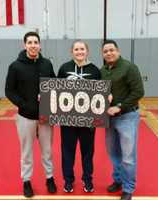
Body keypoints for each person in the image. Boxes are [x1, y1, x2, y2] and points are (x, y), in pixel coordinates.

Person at [5, 31, 57, 198]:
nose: (33, 45)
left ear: (40, 45)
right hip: (25, 116)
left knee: (47, 150)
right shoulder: (15, 66)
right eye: (30, 42)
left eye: (36, 42)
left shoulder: (47, 64)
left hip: (45, 116)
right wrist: (24, 104)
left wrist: (49, 96)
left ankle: (49, 178)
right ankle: (26, 181)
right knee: (26, 151)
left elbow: (55, 84)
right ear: (25, 45)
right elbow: (9, 91)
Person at [100, 40, 144, 200]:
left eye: (111, 50)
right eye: (105, 51)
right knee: (113, 153)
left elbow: (138, 92)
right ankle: (118, 180)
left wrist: (119, 106)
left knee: (128, 156)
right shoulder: (103, 71)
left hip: (127, 117)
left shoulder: (129, 67)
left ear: (118, 51)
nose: (109, 53)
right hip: (109, 119)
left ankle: (128, 188)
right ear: (102, 54)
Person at [57, 40, 101, 193]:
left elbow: (99, 95)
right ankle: (68, 180)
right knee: (67, 151)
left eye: (82, 49)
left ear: (87, 51)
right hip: (68, 120)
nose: (79, 51)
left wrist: (107, 96)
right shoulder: (64, 68)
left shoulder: (95, 70)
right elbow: (56, 92)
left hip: (88, 121)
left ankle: (87, 179)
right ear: (72, 52)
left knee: (87, 152)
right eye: (76, 49)